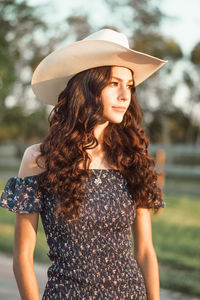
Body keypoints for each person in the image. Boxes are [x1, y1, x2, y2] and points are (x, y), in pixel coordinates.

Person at [0, 28, 167, 300]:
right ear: (87, 86)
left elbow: (146, 251)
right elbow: (22, 256)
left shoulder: (132, 159)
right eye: (114, 83)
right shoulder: (39, 159)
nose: (125, 95)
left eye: (130, 86)